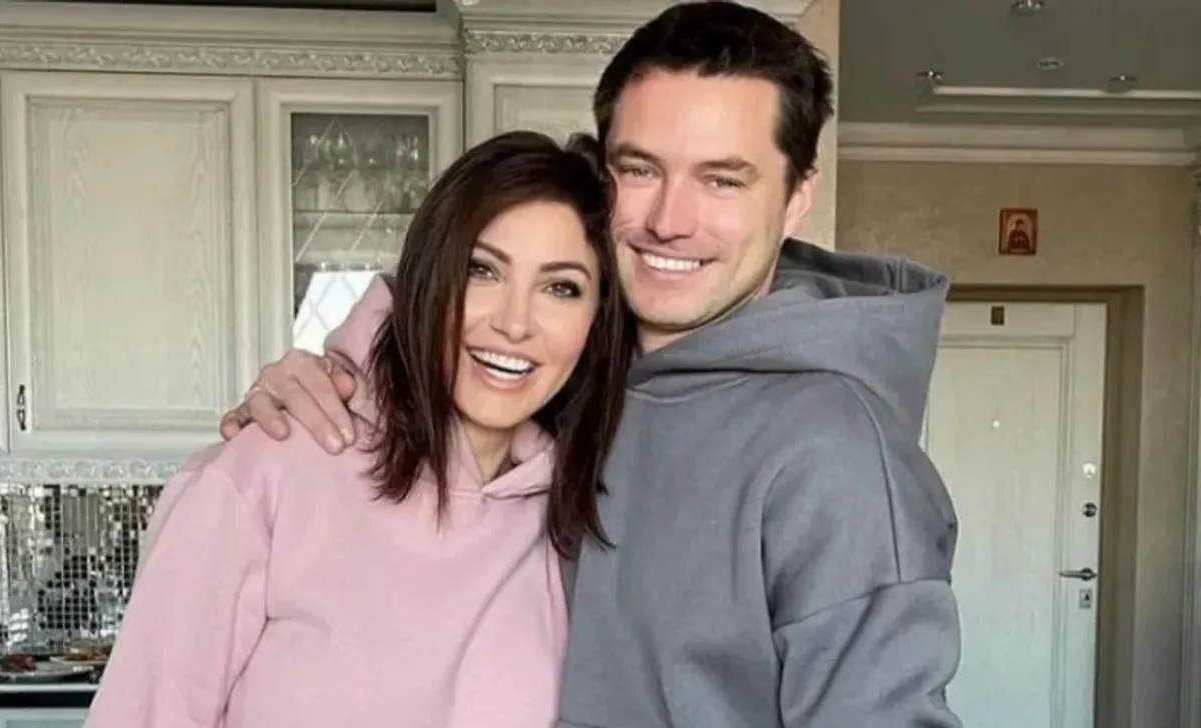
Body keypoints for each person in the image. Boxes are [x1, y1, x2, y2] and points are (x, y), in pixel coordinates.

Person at [219, 2, 964, 726]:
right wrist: (340, 378)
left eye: (722, 180)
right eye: (640, 170)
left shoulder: (838, 455)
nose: (669, 221)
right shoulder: (556, 377)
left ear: (798, 196)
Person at [84, 130, 635, 728]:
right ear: (426, 280)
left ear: (595, 323)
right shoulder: (268, 471)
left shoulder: (569, 518)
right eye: (481, 270)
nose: (515, 323)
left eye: (561, 288)